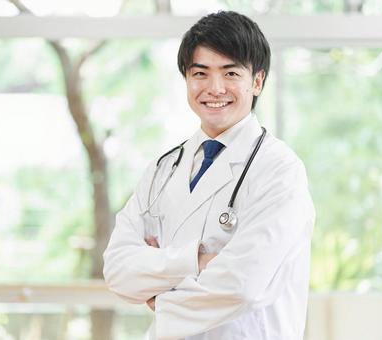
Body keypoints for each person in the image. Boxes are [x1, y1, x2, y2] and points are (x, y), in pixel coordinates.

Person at [103, 11, 315, 340]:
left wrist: (160, 294)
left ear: (257, 81)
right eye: (200, 73)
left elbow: (242, 285)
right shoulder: (164, 168)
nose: (215, 88)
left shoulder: (279, 170)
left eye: (230, 73)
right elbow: (118, 269)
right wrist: (197, 259)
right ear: (187, 79)